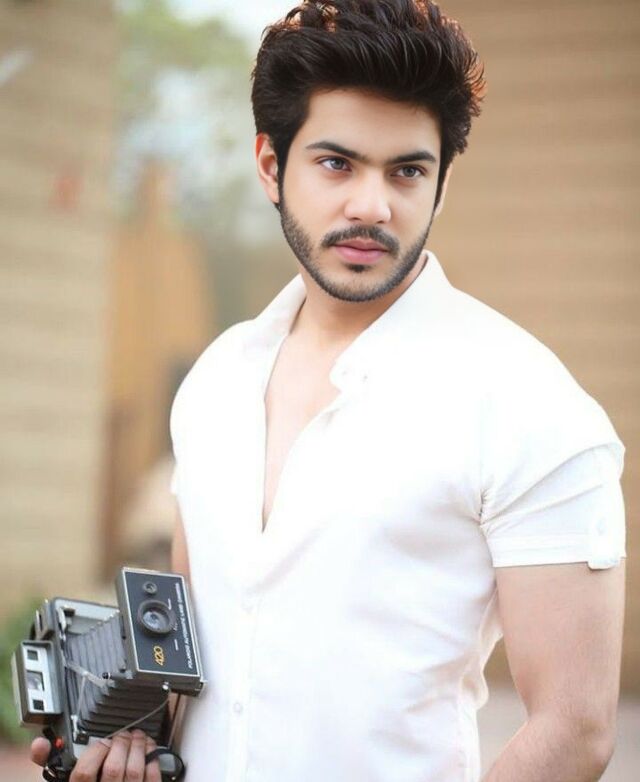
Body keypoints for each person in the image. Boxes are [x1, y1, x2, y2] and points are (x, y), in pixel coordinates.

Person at [32, 1, 627, 780]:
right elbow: (187, 655)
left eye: (407, 171)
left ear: (442, 184)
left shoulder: (528, 403)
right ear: (271, 166)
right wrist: (129, 743)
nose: (372, 206)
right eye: (337, 163)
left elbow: (575, 730)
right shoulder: (217, 378)